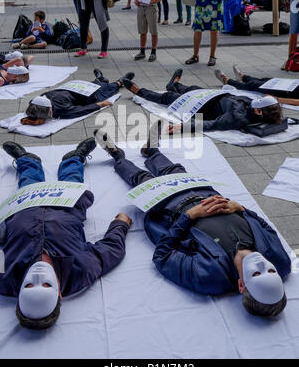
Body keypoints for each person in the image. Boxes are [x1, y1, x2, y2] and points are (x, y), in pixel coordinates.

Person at [94, 122, 290, 318]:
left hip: (170, 208)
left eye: (256, 274)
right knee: (174, 170)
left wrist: (190, 216)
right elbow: (266, 227)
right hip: (205, 193)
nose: (261, 264)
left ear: (241, 284)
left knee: (142, 179)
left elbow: (162, 256)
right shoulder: (281, 261)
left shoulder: (211, 276)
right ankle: (152, 151)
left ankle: (118, 157)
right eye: (271, 271)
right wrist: (241, 208)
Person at [0, 137, 131, 330]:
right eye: (46, 285)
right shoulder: (81, 270)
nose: (38, 276)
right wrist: (121, 225)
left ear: (19, 292)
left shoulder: (4, 277)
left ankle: (27, 160)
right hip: (66, 209)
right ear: (59, 294)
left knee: (28, 180)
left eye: (28, 286)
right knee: (72, 179)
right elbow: (111, 251)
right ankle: (75, 158)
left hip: (26, 208)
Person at [122, 68, 283, 133]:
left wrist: (182, 126)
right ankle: (174, 84)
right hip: (212, 96)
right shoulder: (255, 107)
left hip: (202, 107)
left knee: (169, 98)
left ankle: (139, 91)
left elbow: (210, 125)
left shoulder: (237, 117)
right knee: (191, 88)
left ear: (258, 111)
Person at [21, 70, 134, 126]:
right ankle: (109, 80)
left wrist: (101, 104)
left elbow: (80, 110)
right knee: (101, 89)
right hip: (76, 90)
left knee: (102, 88)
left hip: (78, 91)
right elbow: (81, 110)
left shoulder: (54, 108)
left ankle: (111, 81)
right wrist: (100, 104)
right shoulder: (42, 101)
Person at [215, 65, 299, 107]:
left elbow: (297, 102)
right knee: (265, 80)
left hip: (287, 91)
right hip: (290, 85)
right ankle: (243, 77)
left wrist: (276, 99)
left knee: (254, 85)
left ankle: (227, 80)